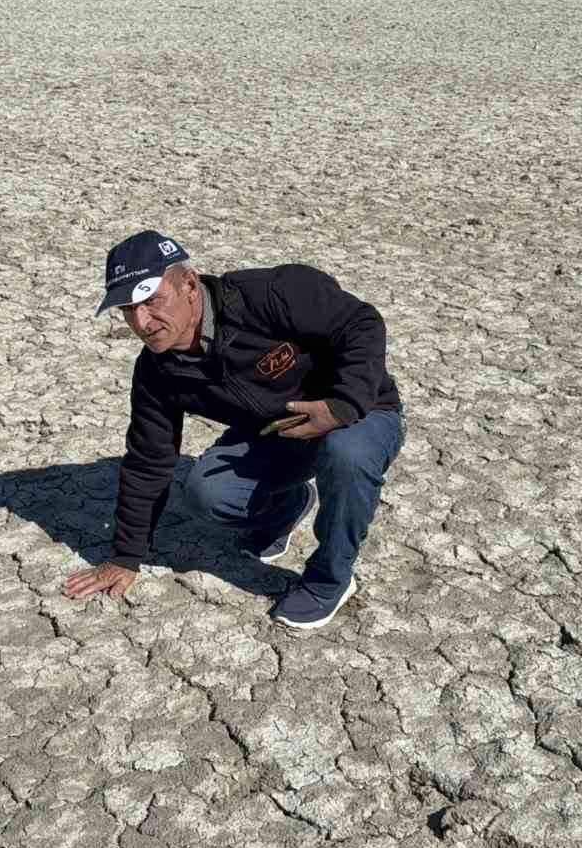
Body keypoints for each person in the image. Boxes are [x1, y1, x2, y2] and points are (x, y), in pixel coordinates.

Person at [61, 230, 404, 628]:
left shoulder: (270, 294)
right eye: (127, 308)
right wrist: (124, 556)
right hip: (278, 432)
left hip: (361, 411)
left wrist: (343, 404)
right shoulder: (157, 371)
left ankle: (329, 581)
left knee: (347, 455)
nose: (141, 321)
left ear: (188, 284)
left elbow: (361, 322)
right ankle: (286, 509)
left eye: (151, 300)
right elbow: (148, 461)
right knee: (207, 493)